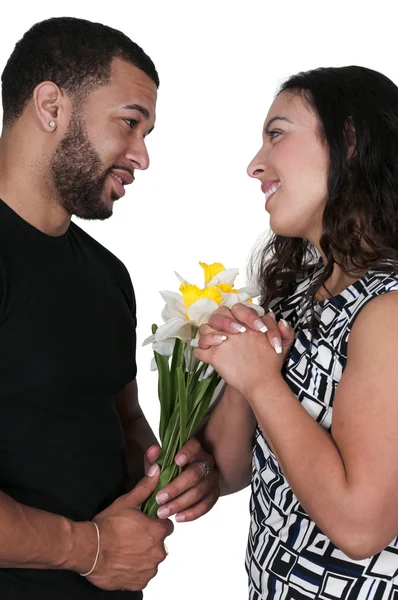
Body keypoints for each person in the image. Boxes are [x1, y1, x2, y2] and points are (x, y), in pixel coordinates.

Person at [0, 16, 219, 599]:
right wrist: (90, 548)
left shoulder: (106, 274)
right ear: (51, 106)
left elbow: (120, 422)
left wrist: (169, 469)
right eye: (129, 123)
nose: (141, 156)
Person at [196, 65, 398, 599]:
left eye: (277, 134)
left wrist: (262, 382)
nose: (255, 164)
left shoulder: (390, 311)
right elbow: (234, 469)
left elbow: (361, 528)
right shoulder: (296, 294)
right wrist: (241, 367)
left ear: (349, 139)